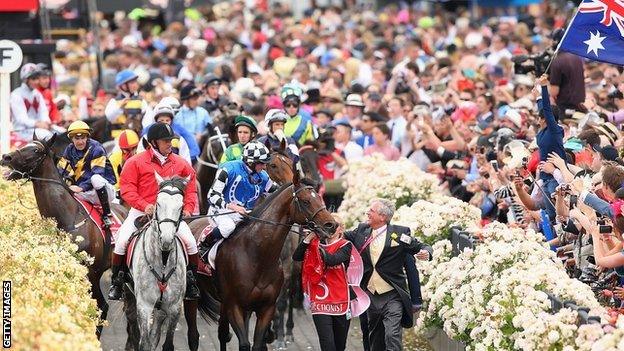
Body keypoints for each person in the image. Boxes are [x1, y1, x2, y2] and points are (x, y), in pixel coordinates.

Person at [108, 122, 200, 301]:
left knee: (190, 242)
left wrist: (188, 207)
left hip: (170, 215)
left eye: (170, 140)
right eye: (165, 141)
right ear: (153, 143)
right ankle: (116, 282)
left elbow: (191, 187)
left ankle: (191, 281)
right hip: (141, 213)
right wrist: (144, 205)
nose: (170, 144)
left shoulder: (180, 163)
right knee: (121, 241)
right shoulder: (135, 162)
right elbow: (127, 189)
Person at [344, 199, 432, 351]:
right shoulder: (361, 231)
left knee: (392, 335)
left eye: (371, 211)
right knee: (375, 338)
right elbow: (339, 235)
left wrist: (426, 252)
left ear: (383, 217)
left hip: (392, 296)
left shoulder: (399, 234)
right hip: (369, 295)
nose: (367, 213)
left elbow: (421, 246)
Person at [198, 142, 274, 259]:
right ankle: (204, 245)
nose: (264, 167)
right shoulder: (229, 169)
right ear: (251, 162)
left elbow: (275, 191)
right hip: (221, 211)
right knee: (228, 227)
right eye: (262, 164)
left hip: (245, 214)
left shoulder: (263, 176)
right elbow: (212, 196)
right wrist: (232, 207)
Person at [293, 220, 353, 351]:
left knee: (340, 345)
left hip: (340, 299)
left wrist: (316, 247)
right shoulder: (315, 244)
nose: (329, 230)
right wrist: (309, 238)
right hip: (320, 300)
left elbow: (332, 260)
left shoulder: (346, 245)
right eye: (327, 226)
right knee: (327, 344)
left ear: (340, 230)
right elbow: (296, 257)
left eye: (333, 227)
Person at [57, 121, 116, 227]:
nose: (80, 142)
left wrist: (81, 188)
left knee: (96, 178)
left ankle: (107, 214)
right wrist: (67, 183)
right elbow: (63, 170)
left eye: (83, 138)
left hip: (104, 191)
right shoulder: (69, 149)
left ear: (87, 137)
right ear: (71, 139)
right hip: (85, 193)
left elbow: (99, 173)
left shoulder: (96, 148)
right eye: (76, 138)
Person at [10, 63, 52, 141]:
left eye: (37, 78)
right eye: (33, 79)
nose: (36, 82)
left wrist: (46, 121)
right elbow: (21, 118)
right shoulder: (16, 94)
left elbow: (43, 111)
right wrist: (37, 124)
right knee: (49, 136)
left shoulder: (37, 94)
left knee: (61, 133)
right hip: (21, 131)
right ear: (26, 80)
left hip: (37, 129)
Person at [104, 69, 151, 138]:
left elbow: (148, 121)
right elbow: (109, 117)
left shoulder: (141, 101)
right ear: (123, 85)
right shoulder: (114, 101)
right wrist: (119, 107)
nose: (135, 85)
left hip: (136, 139)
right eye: (132, 83)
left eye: (135, 82)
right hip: (117, 140)